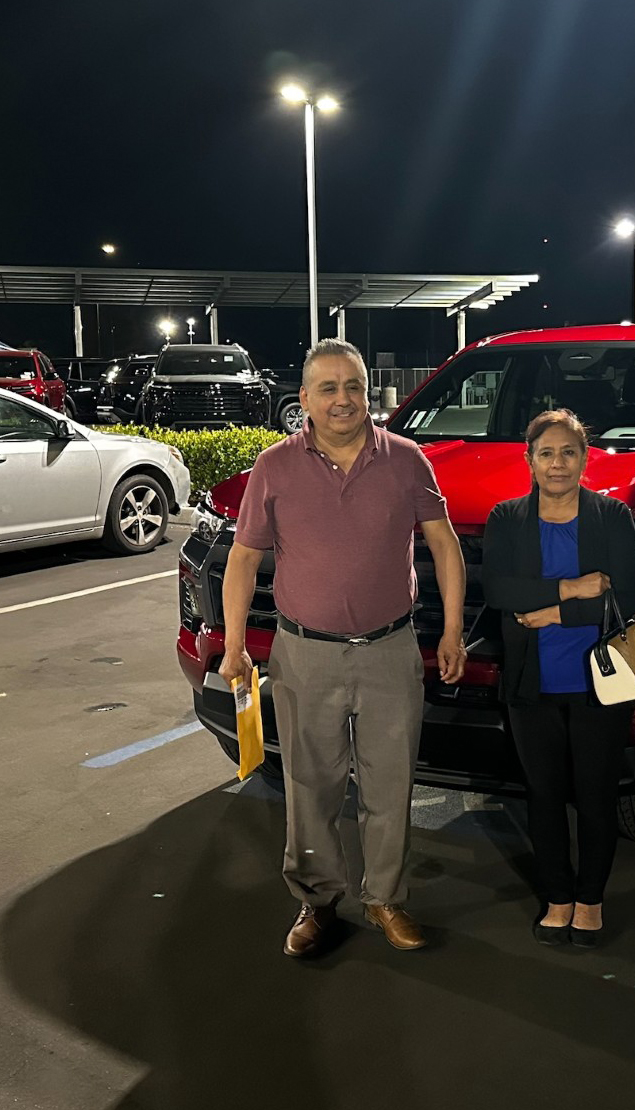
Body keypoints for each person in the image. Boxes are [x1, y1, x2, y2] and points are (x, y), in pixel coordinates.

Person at [219, 338, 466, 958]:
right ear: (303, 399)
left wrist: (453, 631)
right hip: (304, 655)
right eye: (327, 388)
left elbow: (444, 546)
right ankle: (318, 901)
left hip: (390, 649)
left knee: (391, 785)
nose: (342, 399)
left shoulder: (408, 461)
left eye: (353, 386)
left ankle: (385, 897)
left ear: (368, 393)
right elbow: (244, 561)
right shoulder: (274, 467)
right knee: (310, 787)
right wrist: (233, 645)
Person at [483, 409, 635, 948]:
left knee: (596, 796)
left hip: (600, 681)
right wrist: (574, 591)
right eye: (546, 453)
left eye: (568, 452)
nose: (557, 463)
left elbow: (629, 598)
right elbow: (501, 593)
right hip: (532, 684)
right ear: (529, 460)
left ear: (585, 458)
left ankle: (591, 900)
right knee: (544, 794)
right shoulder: (507, 519)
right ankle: (557, 898)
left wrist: (550, 612)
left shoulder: (611, 517)